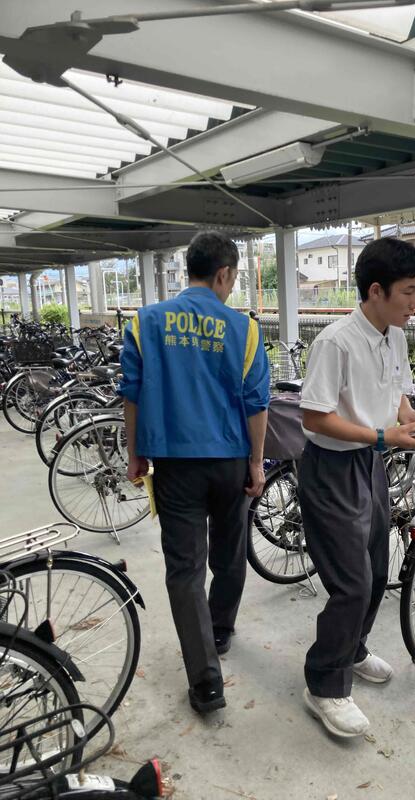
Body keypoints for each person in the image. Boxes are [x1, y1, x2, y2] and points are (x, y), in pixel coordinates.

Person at [119, 232, 270, 714]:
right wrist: (256, 463)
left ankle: (206, 684)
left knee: (184, 570)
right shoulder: (245, 330)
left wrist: (135, 454)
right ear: (224, 274)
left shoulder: (145, 323)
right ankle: (220, 630)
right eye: (233, 278)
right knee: (229, 553)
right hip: (230, 463)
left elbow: (132, 393)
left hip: (174, 466)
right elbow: (257, 404)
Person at [298, 237, 415, 738]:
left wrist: (411, 417)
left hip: (370, 464)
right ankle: (323, 684)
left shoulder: (394, 337)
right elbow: (314, 417)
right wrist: (384, 435)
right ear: (376, 291)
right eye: (409, 291)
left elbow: (395, 392)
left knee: (377, 569)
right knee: (351, 582)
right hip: (331, 469)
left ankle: (352, 648)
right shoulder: (335, 342)